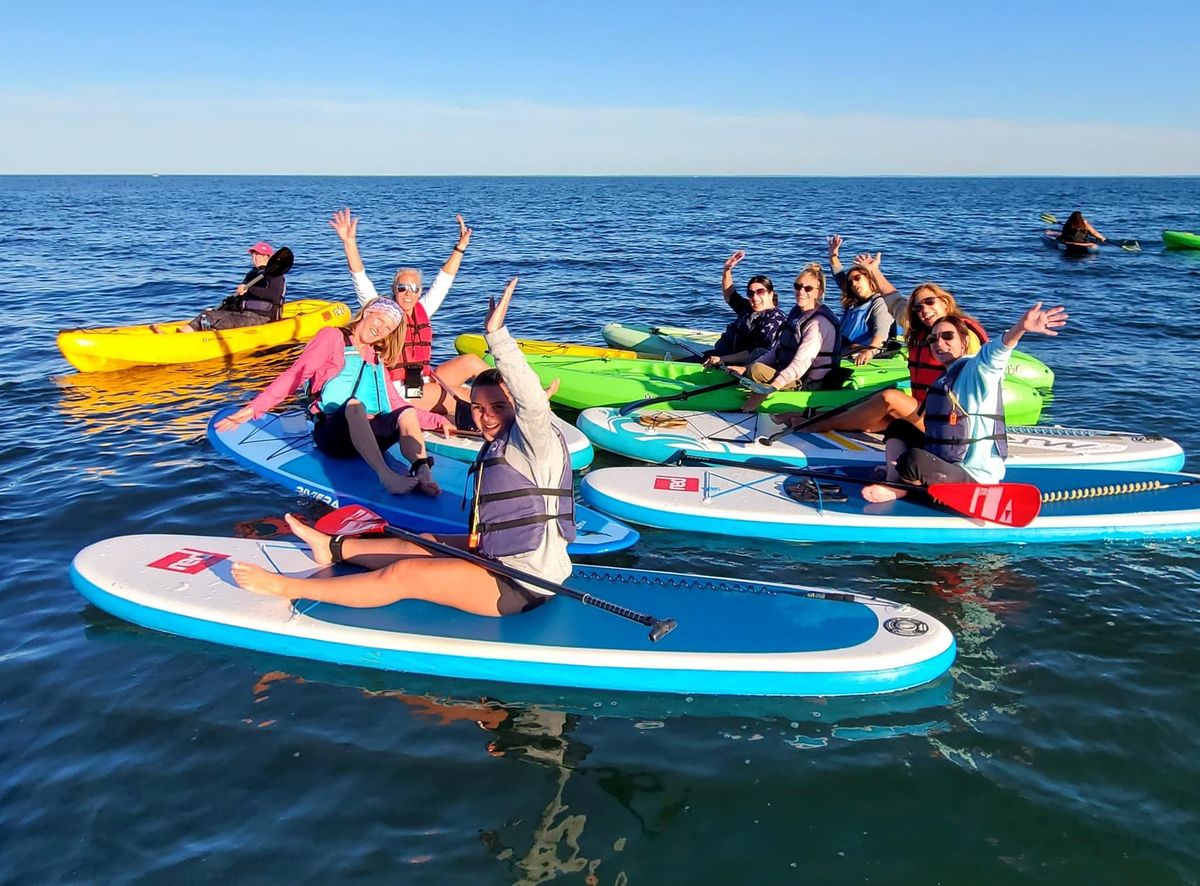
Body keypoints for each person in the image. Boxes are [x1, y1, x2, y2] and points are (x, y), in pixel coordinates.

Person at [230, 278, 576, 618]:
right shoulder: (509, 436)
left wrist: (497, 335)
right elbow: (299, 372)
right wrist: (257, 407)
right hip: (499, 554)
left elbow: (529, 400)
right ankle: (333, 548)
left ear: (520, 405)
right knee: (423, 541)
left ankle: (285, 587)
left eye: (498, 408)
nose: (485, 418)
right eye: (479, 408)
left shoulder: (535, 438)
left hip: (522, 583)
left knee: (403, 575)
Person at [215, 297, 445, 496]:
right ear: (366, 312)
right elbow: (296, 373)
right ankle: (387, 477)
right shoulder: (332, 337)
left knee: (405, 413)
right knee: (355, 406)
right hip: (334, 434)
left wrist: (438, 420)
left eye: (387, 328)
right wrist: (254, 408)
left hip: (370, 435)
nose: (380, 329)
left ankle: (422, 471)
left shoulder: (375, 358)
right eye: (379, 320)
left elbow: (396, 403)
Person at [860, 301, 1067, 503]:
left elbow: (995, 354)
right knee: (900, 427)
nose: (939, 343)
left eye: (948, 336)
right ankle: (894, 478)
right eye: (933, 339)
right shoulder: (945, 377)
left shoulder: (976, 372)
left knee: (913, 460)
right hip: (947, 465)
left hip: (974, 477)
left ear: (964, 342)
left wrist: (1019, 329)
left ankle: (902, 490)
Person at [329, 208, 489, 422]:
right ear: (394, 289)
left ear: (420, 292)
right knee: (464, 396)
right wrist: (349, 243)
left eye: (414, 288)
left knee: (472, 362)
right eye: (402, 287)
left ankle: (519, 399)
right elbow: (360, 279)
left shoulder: (423, 309)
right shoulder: (382, 314)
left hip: (422, 380)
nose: (408, 293)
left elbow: (444, 280)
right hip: (396, 390)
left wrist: (459, 248)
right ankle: (494, 424)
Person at [793, 282, 988, 433]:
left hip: (951, 420)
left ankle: (817, 425)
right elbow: (895, 302)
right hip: (926, 412)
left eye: (930, 302)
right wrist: (873, 271)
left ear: (945, 302)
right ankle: (809, 415)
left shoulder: (963, 336)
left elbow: (979, 374)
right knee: (873, 420)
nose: (924, 310)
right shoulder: (923, 330)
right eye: (918, 308)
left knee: (890, 397)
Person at [730, 262, 842, 412]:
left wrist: (767, 391)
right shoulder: (797, 311)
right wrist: (745, 368)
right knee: (759, 356)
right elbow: (778, 349)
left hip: (808, 381)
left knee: (756, 370)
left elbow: (799, 365)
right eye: (798, 286)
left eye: (808, 288)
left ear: (819, 292)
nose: (801, 291)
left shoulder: (817, 323)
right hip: (786, 368)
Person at [154, 242, 286, 334]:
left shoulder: (275, 275)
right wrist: (223, 308)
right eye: (253, 255)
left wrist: (249, 289)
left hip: (263, 317)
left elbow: (273, 295)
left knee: (220, 320)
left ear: (268, 257)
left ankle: (191, 339)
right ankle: (180, 335)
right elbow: (239, 300)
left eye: (258, 255)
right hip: (245, 314)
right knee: (207, 314)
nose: (254, 258)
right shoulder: (252, 274)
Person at [699, 250, 786, 369]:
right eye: (751, 293)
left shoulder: (774, 319)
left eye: (760, 292)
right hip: (722, 354)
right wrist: (727, 269)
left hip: (737, 364)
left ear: (771, 294)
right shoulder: (749, 308)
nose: (755, 297)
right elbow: (730, 296)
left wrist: (721, 359)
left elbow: (757, 352)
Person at [827, 236, 902, 365]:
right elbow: (840, 277)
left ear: (868, 278)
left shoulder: (880, 302)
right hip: (843, 346)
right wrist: (833, 256)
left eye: (857, 278)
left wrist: (870, 350)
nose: (854, 284)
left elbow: (881, 332)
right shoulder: (854, 300)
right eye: (851, 282)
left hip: (860, 351)